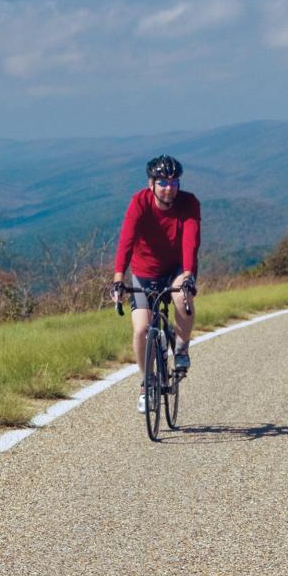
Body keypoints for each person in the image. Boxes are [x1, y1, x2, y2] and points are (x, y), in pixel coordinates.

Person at [111, 155, 201, 413]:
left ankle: (181, 348)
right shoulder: (139, 203)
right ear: (151, 183)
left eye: (174, 182)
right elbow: (126, 241)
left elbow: (190, 242)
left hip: (176, 267)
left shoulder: (189, 203)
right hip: (145, 271)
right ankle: (146, 383)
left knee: (182, 298)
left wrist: (187, 274)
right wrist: (118, 278)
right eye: (162, 182)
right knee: (141, 329)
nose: (169, 187)